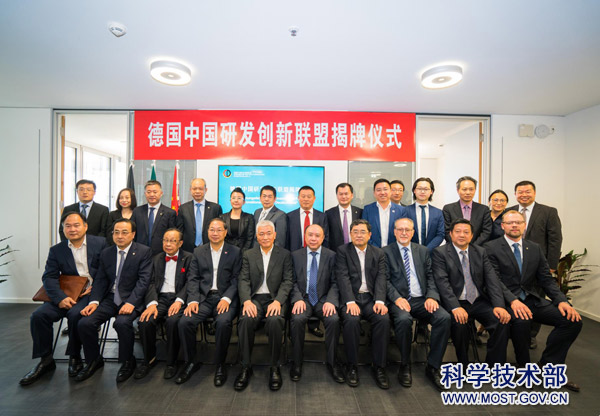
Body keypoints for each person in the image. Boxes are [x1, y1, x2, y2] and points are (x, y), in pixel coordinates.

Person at [484, 210, 582, 392]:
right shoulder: (490, 248)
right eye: (510, 222)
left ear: (524, 225)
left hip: (531, 299)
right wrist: (513, 301)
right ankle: (524, 369)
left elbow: (546, 279)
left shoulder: (534, 248)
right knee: (522, 320)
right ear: (502, 226)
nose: (514, 225)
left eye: (518, 222)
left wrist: (562, 301)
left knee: (571, 321)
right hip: (506, 301)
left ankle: (548, 367)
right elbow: (494, 281)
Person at [19, 212, 106, 386]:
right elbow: (49, 277)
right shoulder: (57, 250)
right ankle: (45, 360)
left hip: (90, 293)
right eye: (68, 226)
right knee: (39, 316)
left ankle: (75, 356)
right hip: (66, 293)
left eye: (76, 225)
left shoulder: (100, 243)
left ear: (85, 226)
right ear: (63, 229)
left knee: (75, 314)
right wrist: (60, 298)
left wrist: (94, 289)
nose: (72, 229)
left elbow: (107, 271)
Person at [76, 219, 152, 382]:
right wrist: (94, 302)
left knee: (122, 323)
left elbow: (144, 281)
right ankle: (93, 360)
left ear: (133, 234)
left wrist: (131, 303)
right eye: (116, 232)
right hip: (110, 298)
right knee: (85, 323)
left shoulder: (143, 251)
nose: (120, 236)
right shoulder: (107, 253)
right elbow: (101, 280)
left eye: (124, 232)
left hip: (132, 298)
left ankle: (127, 361)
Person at [432, 218, 511, 367]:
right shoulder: (440, 253)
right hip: (456, 301)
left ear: (472, 235)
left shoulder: (480, 252)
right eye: (458, 231)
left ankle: (494, 366)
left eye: (466, 232)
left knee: (501, 321)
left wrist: (499, 305)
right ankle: (464, 364)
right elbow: (442, 283)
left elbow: (492, 280)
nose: (462, 235)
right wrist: (455, 307)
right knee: (460, 325)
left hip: (478, 301)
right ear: (450, 234)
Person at [384, 218, 450, 391]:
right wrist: (397, 298)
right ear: (394, 232)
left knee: (443, 317)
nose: (404, 232)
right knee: (403, 320)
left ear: (413, 232)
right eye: (400, 229)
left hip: (422, 299)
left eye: (407, 229)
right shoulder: (385, 252)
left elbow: (431, 276)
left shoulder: (423, 251)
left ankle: (433, 366)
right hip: (399, 300)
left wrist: (432, 297)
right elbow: (385, 280)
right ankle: (405, 364)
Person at [177, 218, 242, 386]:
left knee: (223, 323)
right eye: (212, 230)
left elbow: (237, 279)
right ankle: (191, 361)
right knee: (185, 322)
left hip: (225, 298)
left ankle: (220, 364)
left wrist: (226, 298)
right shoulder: (198, 251)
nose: (215, 233)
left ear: (225, 232)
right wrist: (192, 300)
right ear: (207, 232)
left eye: (219, 230)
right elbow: (193, 278)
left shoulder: (235, 251)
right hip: (204, 298)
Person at [235, 220, 293, 391]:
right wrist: (246, 301)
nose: (265, 237)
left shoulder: (284, 254)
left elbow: (288, 281)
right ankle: (245, 366)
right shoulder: (248, 254)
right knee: (246, 319)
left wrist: (278, 301)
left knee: (275, 320)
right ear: (256, 236)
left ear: (275, 235)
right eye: (261, 234)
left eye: (269, 233)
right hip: (254, 298)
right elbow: (243, 279)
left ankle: (274, 366)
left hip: (275, 298)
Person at [508, 180, 563, 349]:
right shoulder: (509, 212)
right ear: (515, 194)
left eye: (528, 191)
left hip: (538, 265)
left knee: (536, 298)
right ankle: (515, 331)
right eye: (520, 192)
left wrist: (551, 265)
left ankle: (531, 335)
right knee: (515, 297)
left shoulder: (548, 212)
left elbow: (555, 239)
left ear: (534, 193)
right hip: (513, 263)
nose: (524, 195)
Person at [336, 219, 390, 389]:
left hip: (371, 298)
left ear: (369, 235)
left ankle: (379, 366)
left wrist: (380, 300)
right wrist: (350, 301)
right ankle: (352, 366)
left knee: (383, 319)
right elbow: (342, 277)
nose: (359, 235)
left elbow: (381, 277)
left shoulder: (378, 253)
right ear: (350, 234)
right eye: (355, 232)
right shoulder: (342, 251)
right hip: (351, 298)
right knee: (351, 320)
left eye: (362, 232)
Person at [134, 228, 192, 380]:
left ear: (180, 243)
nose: (168, 244)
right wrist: (152, 303)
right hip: (159, 298)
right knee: (145, 321)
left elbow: (190, 283)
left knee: (172, 321)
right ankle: (149, 359)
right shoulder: (156, 258)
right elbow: (150, 282)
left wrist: (179, 301)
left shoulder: (189, 258)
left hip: (178, 299)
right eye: (165, 240)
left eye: (172, 241)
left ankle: (171, 362)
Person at [289, 224, 344, 383]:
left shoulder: (332, 255)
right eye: (310, 235)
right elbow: (291, 281)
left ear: (323, 237)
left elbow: (336, 282)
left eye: (317, 235)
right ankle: (297, 362)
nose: (313, 238)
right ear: (305, 237)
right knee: (297, 319)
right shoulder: (295, 255)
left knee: (333, 319)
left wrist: (331, 301)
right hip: (303, 298)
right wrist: (297, 298)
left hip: (323, 299)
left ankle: (332, 363)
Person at [177, 178, 223, 253]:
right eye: (194, 189)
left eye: (200, 189)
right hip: (187, 250)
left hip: (210, 249)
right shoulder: (183, 208)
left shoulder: (215, 208)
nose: (197, 191)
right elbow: (179, 231)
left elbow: (220, 230)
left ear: (206, 190)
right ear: (190, 190)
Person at [442, 176, 492, 246]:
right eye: (464, 189)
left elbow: (486, 231)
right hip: (453, 248)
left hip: (477, 248)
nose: (468, 192)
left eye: (471, 189)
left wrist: (472, 247)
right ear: (458, 190)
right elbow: (446, 231)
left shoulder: (484, 209)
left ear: (475, 190)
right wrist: (458, 246)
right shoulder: (448, 209)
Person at [132, 180, 177, 255]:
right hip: (140, 253)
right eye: (149, 192)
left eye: (155, 192)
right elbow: (132, 232)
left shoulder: (170, 213)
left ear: (161, 193)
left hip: (161, 253)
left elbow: (172, 235)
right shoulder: (137, 211)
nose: (152, 195)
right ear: (145, 194)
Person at [362, 178, 407, 248]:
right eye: (378, 190)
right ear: (374, 193)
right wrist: (375, 248)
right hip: (373, 250)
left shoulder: (401, 210)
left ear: (390, 191)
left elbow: (403, 232)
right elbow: (364, 231)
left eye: (385, 189)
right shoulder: (368, 209)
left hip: (394, 250)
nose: (382, 192)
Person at [405, 177, 445, 252]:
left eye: (426, 189)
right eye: (419, 189)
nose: (422, 191)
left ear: (431, 192)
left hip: (431, 253)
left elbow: (440, 234)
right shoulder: (405, 211)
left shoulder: (438, 213)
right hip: (410, 252)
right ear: (414, 191)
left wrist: (426, 250)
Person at [287, 185, 329, 252]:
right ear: (298, 198)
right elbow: (287, 239)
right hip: (294, 253)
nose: (306, 199)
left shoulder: (322, 216)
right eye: (303, 196)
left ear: (314, 198)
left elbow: (325, 238)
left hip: (316, 253)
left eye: (309, 197)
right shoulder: (289, 216)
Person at [325, 182, 363, 251]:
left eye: (346, 194)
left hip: (356, 251)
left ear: (352, 195)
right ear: (337, 196)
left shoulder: (360, 212)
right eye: (341, 194)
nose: (343, 197)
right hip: (336, 252)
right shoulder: (329, 213)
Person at [219, 187, 255, 251]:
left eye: (239, 198)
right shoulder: (222, 217)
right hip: (226, 251)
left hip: (243, 252)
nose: (236, 200)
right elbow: (220, 236)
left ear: (244, 202)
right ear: (230, 201)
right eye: (233, 198)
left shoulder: (249, 217)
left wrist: (243, 253)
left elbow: (250, 238)